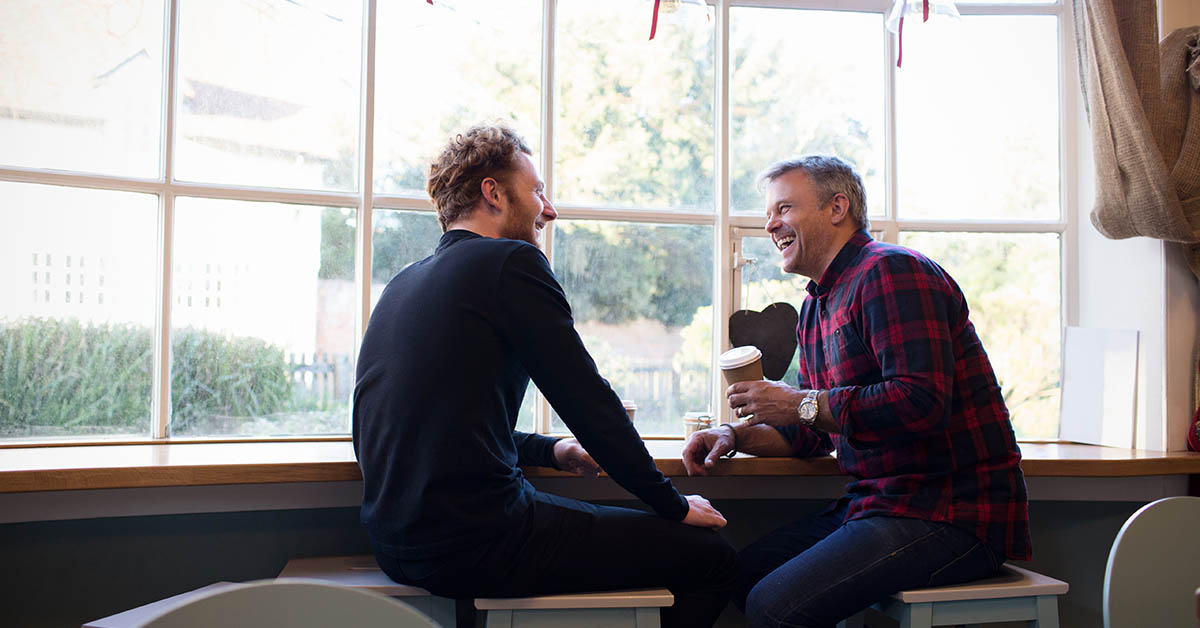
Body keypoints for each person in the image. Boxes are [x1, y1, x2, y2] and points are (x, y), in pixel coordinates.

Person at [353, 123, 737, 628]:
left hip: (394, 543)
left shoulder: (403, 282)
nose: (548, 209)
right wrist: (670, 502)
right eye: (536, 191)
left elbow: (438, 422)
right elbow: (586, 400)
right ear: (493, 192)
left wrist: (550, 451)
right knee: (716, 560)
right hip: (481, 540)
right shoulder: (511, 262)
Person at [682, 155, 1031, 628]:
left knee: (774, 607)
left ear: (837, 207)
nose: (770, 225)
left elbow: (921, 403)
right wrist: (734, 436)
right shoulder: (816, 305)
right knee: (738, 576)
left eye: (783, 208)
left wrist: (797, 402)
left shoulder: (892, 272)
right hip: (877, 505)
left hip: (950, 513)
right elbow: (812, 430)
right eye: (769, 214)